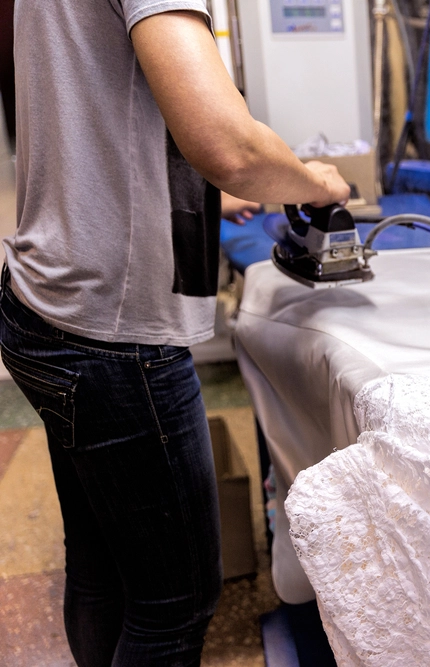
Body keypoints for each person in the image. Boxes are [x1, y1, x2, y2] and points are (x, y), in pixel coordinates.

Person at [0, 1, 350, 665]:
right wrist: (313, 181)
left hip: (45, 300)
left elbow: (100, 96)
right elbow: (230, 146)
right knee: (173, 604)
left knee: (104, 566)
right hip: (115, 338)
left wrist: (188, 192)